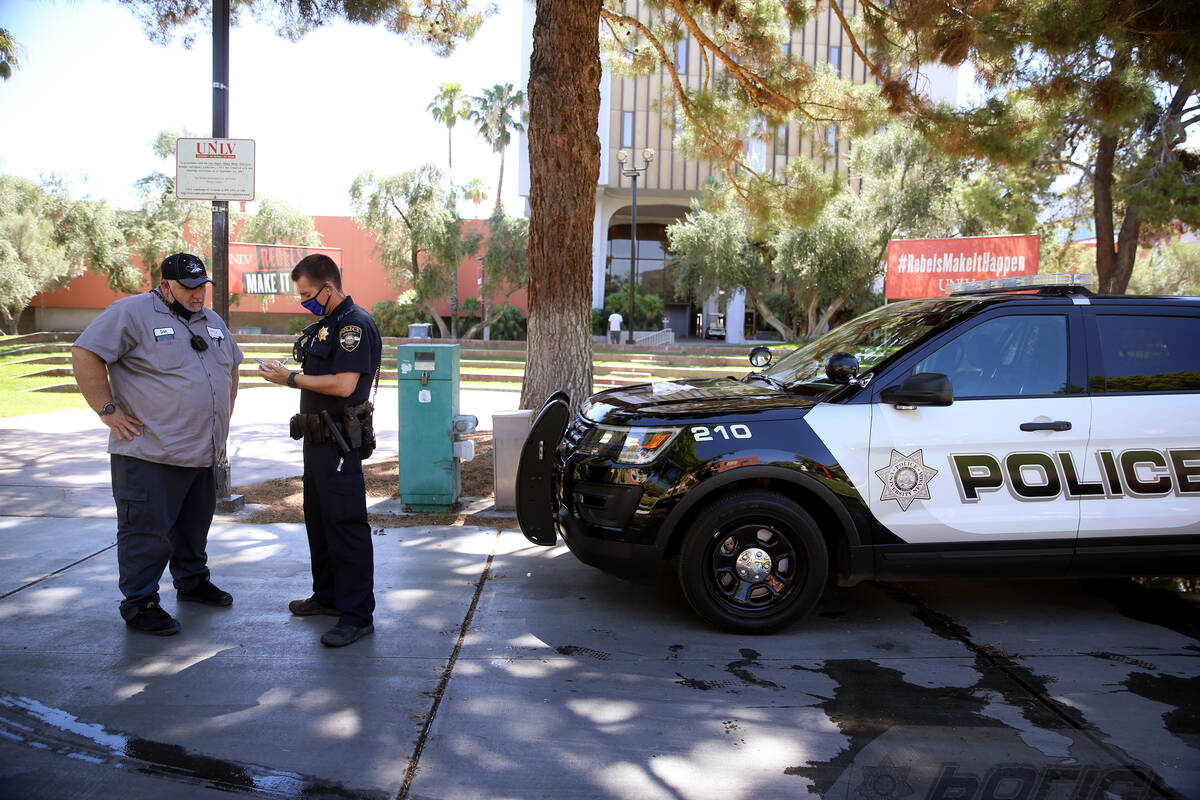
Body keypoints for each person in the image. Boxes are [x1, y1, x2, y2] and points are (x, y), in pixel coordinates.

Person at [72, 253, 242, 636]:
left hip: (201, 452)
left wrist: (222, 418)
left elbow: (231, 366)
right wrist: (107, 409)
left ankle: (193, 582)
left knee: (193, 527)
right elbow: (85, 354)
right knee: (145, 532)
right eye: (188, 288)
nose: (198, 295)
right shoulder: (131, 313)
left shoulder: (211, 322)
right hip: (148, 453)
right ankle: (140, 602)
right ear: (165, 285)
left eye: (203, 287)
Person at [258, 254, 382, 648]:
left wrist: (290, 378)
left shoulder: (354, 325)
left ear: (328, 288)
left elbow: (345, 385)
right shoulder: (327, 325)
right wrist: (290, 373)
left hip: (340, 442)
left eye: (308, 294)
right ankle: (328, 596)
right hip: (317, 440)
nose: (304, 301)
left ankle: (357, 615)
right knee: (320, 520)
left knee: (345, 524)